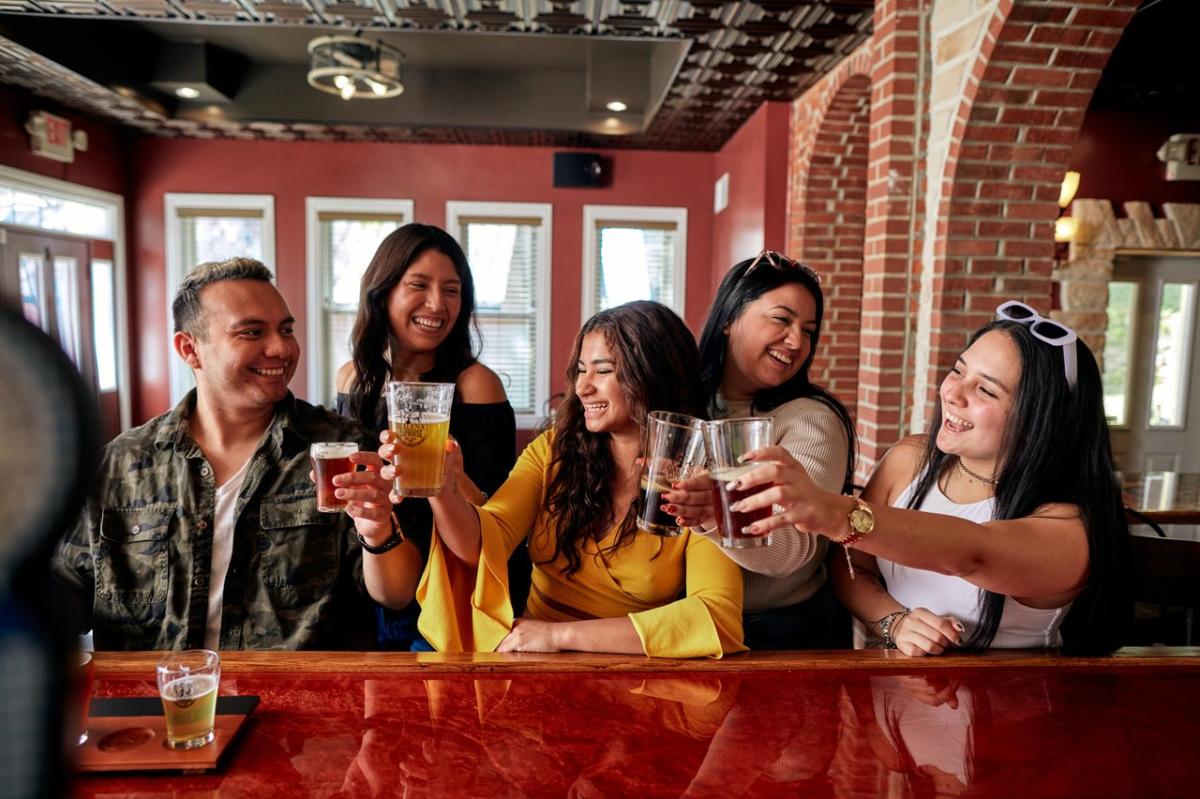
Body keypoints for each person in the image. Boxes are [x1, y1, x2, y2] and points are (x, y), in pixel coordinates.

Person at [52, 257, 422, 650]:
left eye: (286, 329)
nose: (281, 348)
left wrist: (376, 528)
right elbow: (64, 593)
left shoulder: (343, 449)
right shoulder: (120, 465)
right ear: (189, 349)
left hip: (300, 700)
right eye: (251, 333)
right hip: (152, 702)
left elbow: (396, 595)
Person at [726, 301, 1130, 656]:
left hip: (1004, 721)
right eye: (959, 371)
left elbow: (971, 552)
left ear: (1041, 421)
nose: (954, 393)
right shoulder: (909, 460)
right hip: (892, 709)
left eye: (986, 391)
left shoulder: (1070, 527)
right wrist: (894, 622)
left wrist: (834, 512)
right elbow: (850, 566)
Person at [395, 301, 745, 657]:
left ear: (655, 374)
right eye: (580, 371)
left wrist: (559, 637)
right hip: (533, 660)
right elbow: (483, 542)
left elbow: (717, 618)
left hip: (632, 671)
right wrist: (440, 488)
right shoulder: (553, 451)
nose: (582, 387)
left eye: (602, 371)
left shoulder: (702, 481)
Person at [335, 223, 522, 649]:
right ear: (382, 293)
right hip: (368, 581)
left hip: (444, 597)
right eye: (418, 285)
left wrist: (448, 477)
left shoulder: (476, 384)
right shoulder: (353, 380)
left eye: (452, 290)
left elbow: (500, 518)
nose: (437, 304)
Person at [667, 251, 856, 649]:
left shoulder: (809, 419)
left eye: (808, 330)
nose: (796, 342)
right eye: (782, 319)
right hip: (680, 619)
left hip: (781, 632)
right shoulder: (680, 405)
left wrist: (714, 513)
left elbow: (793, 549)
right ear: (730, 319)